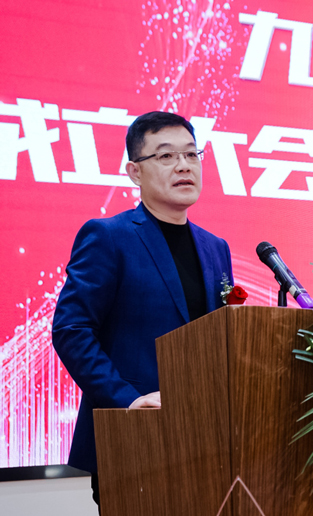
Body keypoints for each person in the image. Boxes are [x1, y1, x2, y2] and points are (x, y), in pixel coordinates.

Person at [52, 111, 233, 511]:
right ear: (134, 172)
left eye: (192, 154)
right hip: (133, 442)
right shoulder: (108, 236)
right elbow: (71, 330)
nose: (184, 165)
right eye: (166, 156)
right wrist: (128, 400)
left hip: (206, 442)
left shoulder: (215, 248)